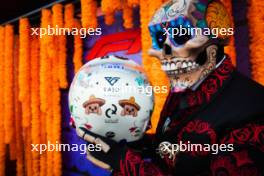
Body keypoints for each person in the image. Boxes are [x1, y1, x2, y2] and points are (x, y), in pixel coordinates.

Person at [76, 0, 264, 175]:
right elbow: (179, 149)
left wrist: (125, 163)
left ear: (212, 47)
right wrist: (137, 142)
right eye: (159, 38)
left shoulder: (254, 110)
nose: (164, 52)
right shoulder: (186, 86)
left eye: (180, 35)